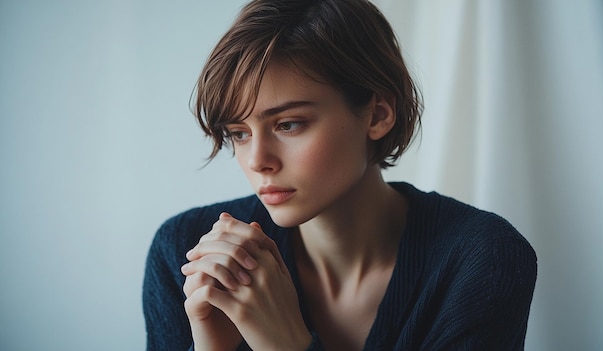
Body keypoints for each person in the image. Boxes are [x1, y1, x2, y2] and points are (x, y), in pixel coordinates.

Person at [142, 0, 537, 350]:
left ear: (378, 114)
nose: (257, 160)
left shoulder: (482, 258)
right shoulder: (186, 253)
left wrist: (287, 346)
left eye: (289, 124)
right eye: (239, 133)